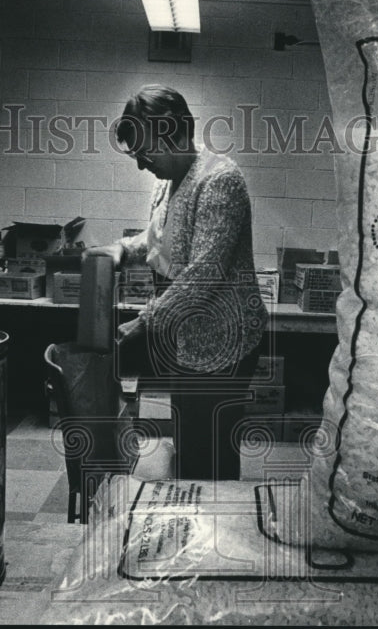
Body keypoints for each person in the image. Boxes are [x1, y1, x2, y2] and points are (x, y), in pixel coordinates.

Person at [85, 84, 267, 480]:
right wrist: (121, 249)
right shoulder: (167, 180)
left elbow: (204, 273)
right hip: (187, 334)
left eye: (145, 154)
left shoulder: (219, 180)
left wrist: (144, 321)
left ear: (175, 133)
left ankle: (213, 510)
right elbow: (159, 239)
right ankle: (190, 497)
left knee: (212, 447)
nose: (140, 165)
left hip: (224, 340)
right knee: (189, 433)